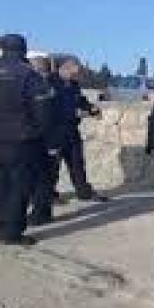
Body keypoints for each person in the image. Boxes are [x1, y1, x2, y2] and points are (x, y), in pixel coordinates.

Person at [0, 34, 56, 245]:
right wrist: (39, 133)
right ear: (23, 50)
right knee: (19, 186)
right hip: (21, 140)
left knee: (0, 184)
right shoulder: (29, 75)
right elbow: (42, 111)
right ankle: (11, 232)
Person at [48, 57, 107, 202]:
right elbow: (48, 108)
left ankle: (84, 193)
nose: (76, 76)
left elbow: (80, 100)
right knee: (52, 167)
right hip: (54, 131)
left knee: (77, 163)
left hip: (72, 130)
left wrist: (90, 108)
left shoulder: (73, 84)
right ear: (65, 68)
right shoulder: (49, 82)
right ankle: (49, 195)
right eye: (74, 73)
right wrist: (74, 113)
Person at [27, 55, 63, 226]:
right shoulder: (48, 86)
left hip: (39, 139)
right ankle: (41, 213)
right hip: (46, 139)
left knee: (41, 178)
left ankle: (40, 214)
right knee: (45, 178)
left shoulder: (41, 86)